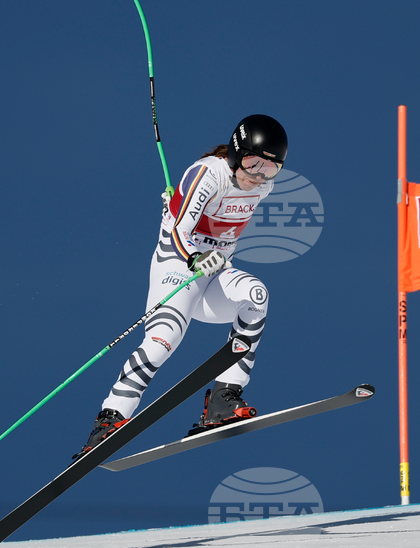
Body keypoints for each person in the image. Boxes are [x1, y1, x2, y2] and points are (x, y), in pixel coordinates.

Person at [75, 114, 287, 459]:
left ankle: (223, 397)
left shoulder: (263, 186)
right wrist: (194, 254)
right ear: (236, 153)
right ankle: (111, 417)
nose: (258, 174)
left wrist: (207, 250)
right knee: (163, 340)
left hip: (214, 274)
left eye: (270, 168)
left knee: (256, 296)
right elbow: (179, 229)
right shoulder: (207, 173)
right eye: (252, 162)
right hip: (177, 267)